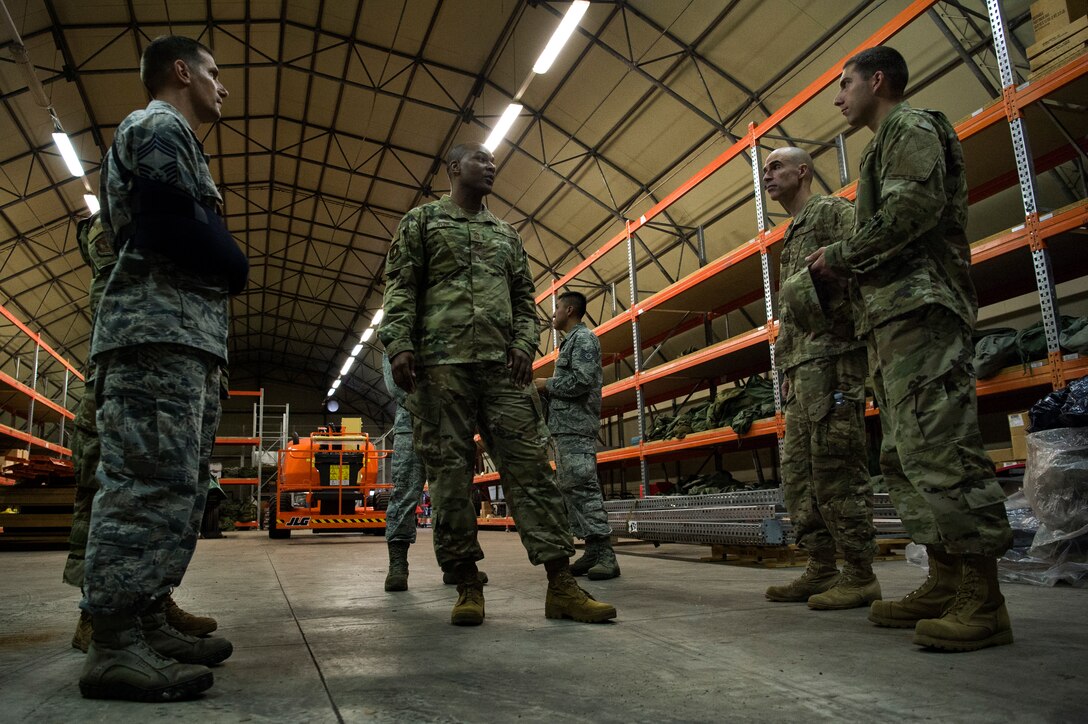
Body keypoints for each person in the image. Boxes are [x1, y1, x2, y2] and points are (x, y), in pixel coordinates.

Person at [809, 46, 1013, 651]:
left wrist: (841, 256)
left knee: (941, 444)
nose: (839, 96)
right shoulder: (879, 147)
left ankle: (985, 595)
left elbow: (911, 210)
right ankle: (948, 578)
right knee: (906, 453)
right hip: (891, 319)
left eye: (845, 83)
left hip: (923, 310)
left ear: (878, 80)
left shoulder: (912, 125)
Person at [380, 141, 617, 627]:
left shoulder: (506, 234)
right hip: (440, 370)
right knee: (449, 480)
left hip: (502, 372)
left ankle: (561, 585)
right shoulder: (422, 223)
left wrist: (525, 345)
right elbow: (401, 285)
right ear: (453, 168)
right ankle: (467, 585)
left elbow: (524, 298)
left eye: (493, 161)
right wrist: (399, 342)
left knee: (533, 471)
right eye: (479, 160)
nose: (490, 167)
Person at [80, 35, 244, 701]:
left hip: (182, 340)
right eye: (212, 73)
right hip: (154, 336)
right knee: (144, 487)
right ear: (181, 72)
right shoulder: (156, 125)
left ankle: (146, 618)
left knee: (175, 491)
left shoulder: (178, 136)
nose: (221, 87)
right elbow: (168, 226)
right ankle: (114, 641)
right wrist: (233, 264)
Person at [64, 215, 218, 654]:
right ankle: (96, 614)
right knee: (114, 494)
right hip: (128, 369)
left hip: (173, 368)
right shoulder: (118, 222)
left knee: (170, 499)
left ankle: (150, 603)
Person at [760, 147, 879, 609]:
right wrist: (787, 368)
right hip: (802, 369)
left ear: (802, 171)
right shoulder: (792, 233)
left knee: (837, 468)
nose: (768, 175)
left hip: (835, 361)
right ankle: (821, 565)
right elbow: (794, 313)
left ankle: (859, 572)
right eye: (765, 169)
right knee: (800, 476)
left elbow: (866, 259)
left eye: (776, 167)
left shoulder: (830, 212)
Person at [380, 353, 488, 590]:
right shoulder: (399, 335)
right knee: (405, 494)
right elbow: (396, 385)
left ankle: (456, 565)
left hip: (447, 427)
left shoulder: (443, 330)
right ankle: (398, 565)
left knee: (451, 497)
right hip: (411, 425)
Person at [533, 290, 619, 580]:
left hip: (576, 427)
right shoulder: (570, 343)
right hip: (564, 428)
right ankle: (593, 550)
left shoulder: (583, 339)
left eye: (557, 308)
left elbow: (581, 382)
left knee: (583, 487)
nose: (553, 314)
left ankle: (606, 553)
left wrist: (547, 384)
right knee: (572, 488)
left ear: (569, 310)